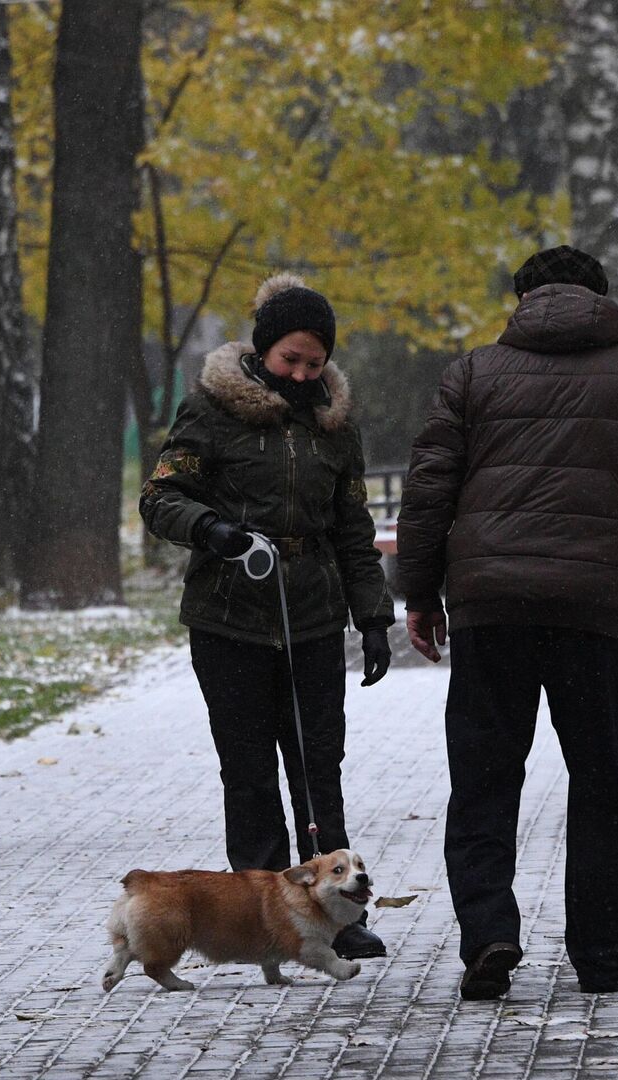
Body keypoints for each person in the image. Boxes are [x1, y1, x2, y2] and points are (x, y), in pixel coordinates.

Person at [394, 245, 618, 1000]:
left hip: (491, 603)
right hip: (595, 607)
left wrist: (421, 592)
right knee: (603, 779)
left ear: (522, 298)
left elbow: (431, 485)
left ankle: (490, 933)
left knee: (485, 779)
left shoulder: (471, 373)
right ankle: (601, 956)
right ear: (601, 296)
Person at [139, 273, 396, 960]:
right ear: (263, 350)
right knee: (249, 771)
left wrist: (373, 616)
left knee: (318, 767)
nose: (303, 374)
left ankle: (338, 913)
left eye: (314, 363)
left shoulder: (333, 427)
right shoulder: (210, 412)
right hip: (230, 618)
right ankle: (266, 917)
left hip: (311, 617)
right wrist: (211, 529)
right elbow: (160, 499)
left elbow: (352, 525)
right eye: (291, 360)